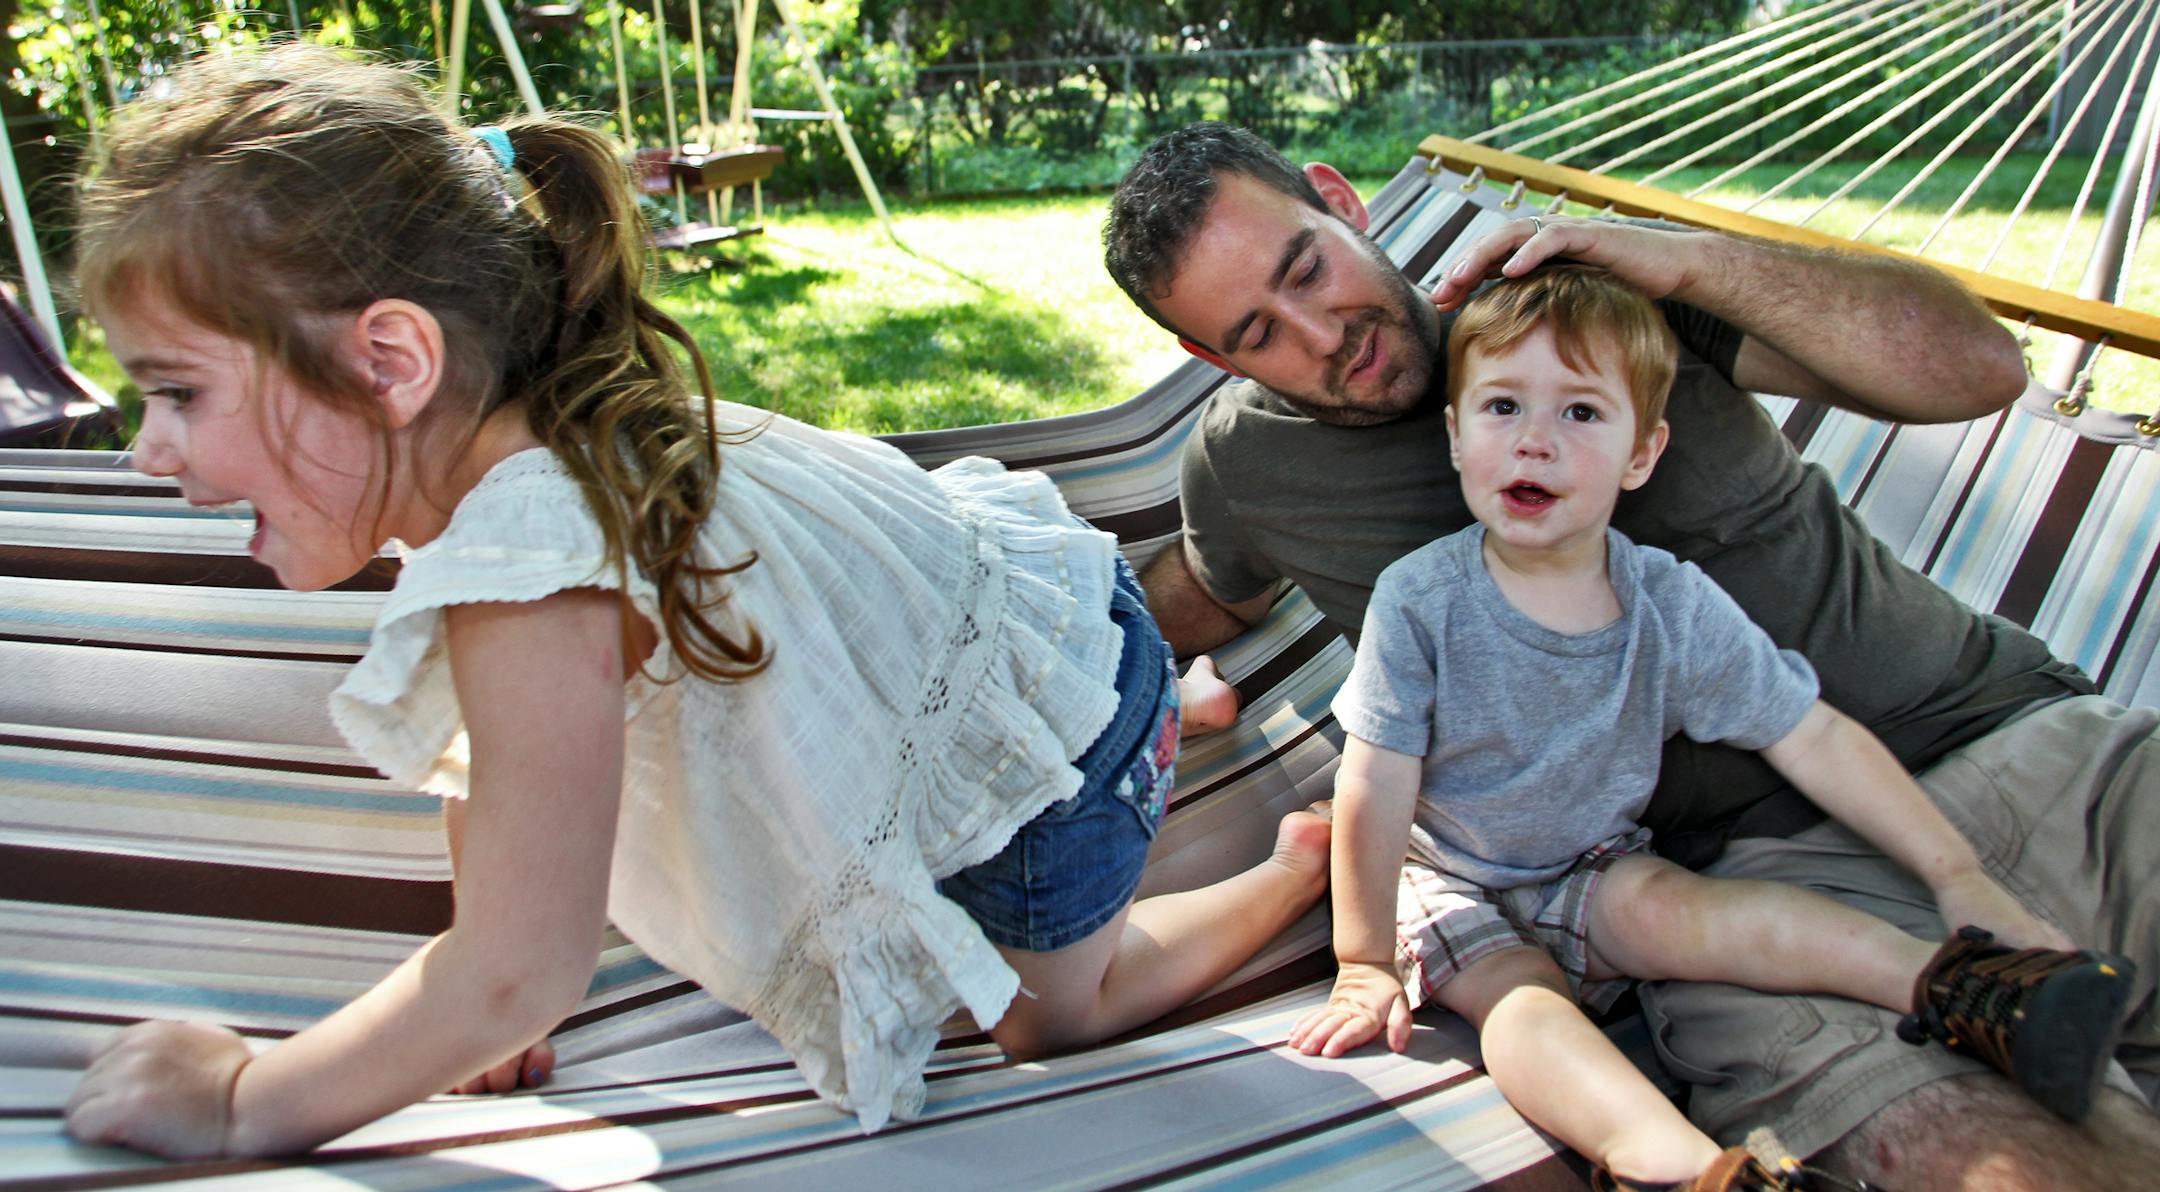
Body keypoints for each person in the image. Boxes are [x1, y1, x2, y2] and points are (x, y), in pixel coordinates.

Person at [59, 49, 1328, 1160]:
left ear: (390, 363)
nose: (144, 450)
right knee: (1060, 759)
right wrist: (467, 1008)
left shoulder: (530, 540)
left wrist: (244, 1104)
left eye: (175, 393)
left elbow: (520, 964)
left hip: (1067, 717)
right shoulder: (519, 445)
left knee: (1048, 1015)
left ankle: (1285, 860)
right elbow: (495, 779)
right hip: (1036, 623)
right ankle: (1172, 711)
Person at [1101, 121, 2160, 1186]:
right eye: (1256, 332)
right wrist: (1036, 634)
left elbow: (1978, 370)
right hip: (1760, 893)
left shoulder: (1595, 298)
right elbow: (1198, 597)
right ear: (1210, 357)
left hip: (2030, 740)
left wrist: (1693, 258)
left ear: (1339, 200)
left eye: (1307, 268)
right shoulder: (1249, 466)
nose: (1322, 335)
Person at [1284, 264, 2133, 1191]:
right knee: (1519, 998)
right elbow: (1376, 781)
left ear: (1642, 454)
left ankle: (1964, 987)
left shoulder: (1668, 605)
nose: (1534, 442)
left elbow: (1811, 736)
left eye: (1580, 414)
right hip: (1443, 875)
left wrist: (1956, 874)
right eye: (1501, 408)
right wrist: (1364, 960)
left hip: (1589, 863)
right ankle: (1692, 1170)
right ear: (1455, 435)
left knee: (1699, 914)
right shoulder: (1424, 600)